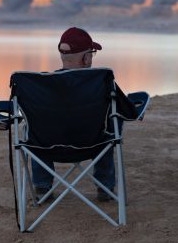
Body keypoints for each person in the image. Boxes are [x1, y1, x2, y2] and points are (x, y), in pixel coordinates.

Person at [31, 27, 115, 202]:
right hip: (93, 146)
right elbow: (125, 109)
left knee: (31, 128)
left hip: (47, 148)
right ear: (85, 58)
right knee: (113, 122)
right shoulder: (101, 82)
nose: (92, 56)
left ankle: (42, 187)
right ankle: (105, 187)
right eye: (91, 52)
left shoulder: (42, 86)